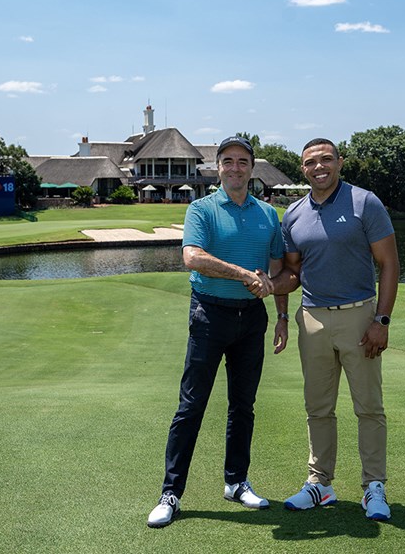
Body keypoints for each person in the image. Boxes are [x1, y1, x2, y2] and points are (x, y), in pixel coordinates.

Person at [147, 136, 290, 528]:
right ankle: (171, 492)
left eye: (242, 161)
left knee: (243, 407)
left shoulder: (268, 214)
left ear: (252, 167)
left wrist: (282, 316)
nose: (235, 168)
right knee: (191, 406)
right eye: (227, 161)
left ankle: (236, 481)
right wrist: (243, 273)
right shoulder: (202, 209)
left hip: (252, 318)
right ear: (218, 167)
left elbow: (277, 270)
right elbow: (192, 256)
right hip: (210, 314)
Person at [273, 138, 399, 521]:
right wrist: (268, 285)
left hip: (360, 317)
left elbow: (390, 265)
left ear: (340, 162)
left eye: (327, 159)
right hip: (312, 319)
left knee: (369, 407)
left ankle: (373, 487)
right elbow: (293, 274)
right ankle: (320, 485)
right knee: (318, 408)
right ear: (303, 169)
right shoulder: (293, 214)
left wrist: (382, 320)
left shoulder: (365, 202)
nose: (320, 167)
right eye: (311, 162)